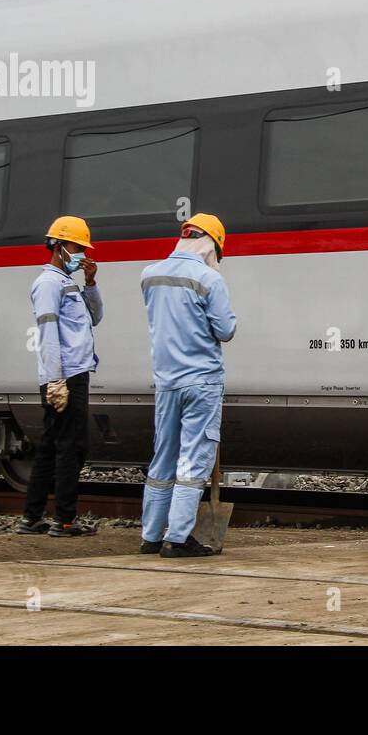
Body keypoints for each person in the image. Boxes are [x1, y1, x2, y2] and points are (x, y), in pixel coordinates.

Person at [139, 214, 237, 557]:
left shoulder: (150, 276)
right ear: (211, 245)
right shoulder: (210, 279)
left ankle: (151, 536)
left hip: (166, 381)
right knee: (193, 460)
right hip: (202, 381)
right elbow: (225, 330)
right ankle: (177, 539)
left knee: (163, 458)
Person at [18, 216, 104, 536]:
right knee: (72, 446)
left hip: (71, 374)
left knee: (52, 445)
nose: (81, 254)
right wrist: (56, 380)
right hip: (66, 377)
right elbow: (48, 334)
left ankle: (32, 517)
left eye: (83, 248)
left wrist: (91, 284)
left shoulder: (67, 283)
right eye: (76, 247)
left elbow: (94, 317)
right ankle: (65, 520)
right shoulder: (48, 284)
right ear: (58, 246)